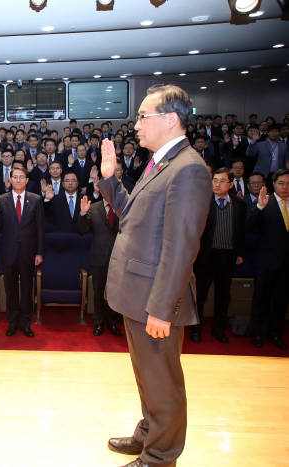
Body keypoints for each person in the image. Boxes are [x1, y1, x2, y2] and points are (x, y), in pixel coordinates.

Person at [98, 84, 211, 467]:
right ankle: (148, 435)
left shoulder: (189, 168)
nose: (137, 125)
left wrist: (162, 308)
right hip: (138, 294)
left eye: (143, 116)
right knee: (147, 377)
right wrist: (111, 179)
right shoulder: (163, 161)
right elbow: (133, 216)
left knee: (163, 384)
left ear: (170, 119)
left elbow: (181, 247)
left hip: (155, 301)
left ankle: (160, 457)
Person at [191, 167, 245, 344]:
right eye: (215, 180)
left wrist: (239, 253)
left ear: (230, 184)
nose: (217, 184)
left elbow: (242, 232)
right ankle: (195, 329)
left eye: (222, 181)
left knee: (223, 296)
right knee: (200, 295)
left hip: (227, 256)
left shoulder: (239, 204)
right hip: (206, 255)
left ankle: (218, 329)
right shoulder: (203, 202)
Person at [0, 165, 45, 338]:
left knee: (27, 289)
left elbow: (40, 229)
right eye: (15, 177)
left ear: (27, 180)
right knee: (11, 289)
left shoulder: (36, 200)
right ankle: (12, 322)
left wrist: (39, 252)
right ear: (10, 180)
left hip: (29, 253)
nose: (18, 180)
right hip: (9, 252)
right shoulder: (2, 199)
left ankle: (25, 323)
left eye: (22, 177)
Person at [246, 168, 289, 349]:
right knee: (261, 299)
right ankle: (257, 333)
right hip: (266, 262)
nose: (285, 187)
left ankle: (275, 333)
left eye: (288, 183)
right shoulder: (265, 202)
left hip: (286, 264)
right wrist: (259, 207)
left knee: (281, 301)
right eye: (281, 183)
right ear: (273, 184)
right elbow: (248, 226)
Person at [76, 195, 122, 337]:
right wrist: (83, 213)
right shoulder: (94, 208)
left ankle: (113, 322)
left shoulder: (122, 206)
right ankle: (99, 322)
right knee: (98, 290)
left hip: (119, 255)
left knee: (115, 292)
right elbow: (82, 230)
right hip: (99, 255)